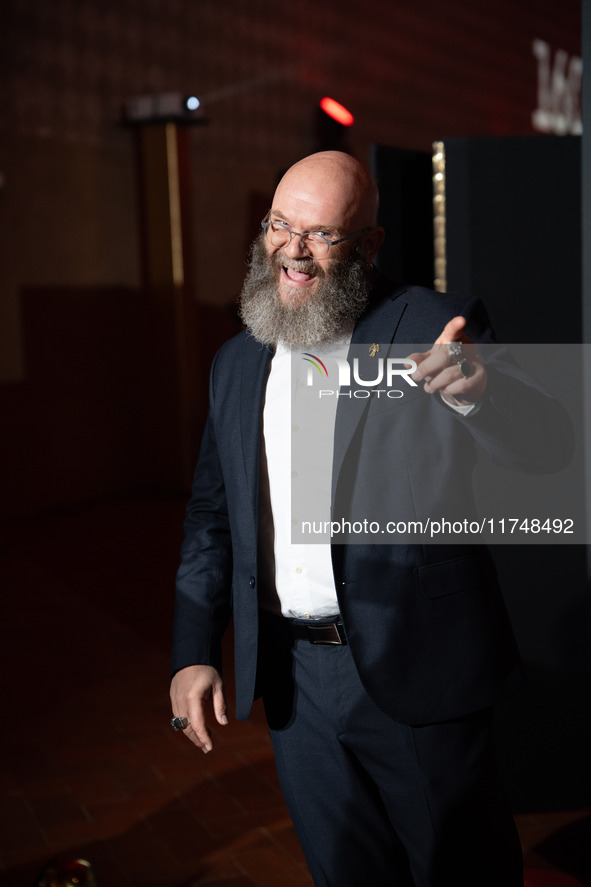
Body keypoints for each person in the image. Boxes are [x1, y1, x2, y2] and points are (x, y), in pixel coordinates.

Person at [170, 151, 570, 886]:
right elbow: (211, 514)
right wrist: (194, 646)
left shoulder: (428, 323)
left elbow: (549, 447)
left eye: (320, 234)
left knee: (462, 873)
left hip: (413, 666)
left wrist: (481, 396)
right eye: (280, 225)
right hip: (293, 681)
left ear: (368, 246)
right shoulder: (235, 361)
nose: (292, 249)